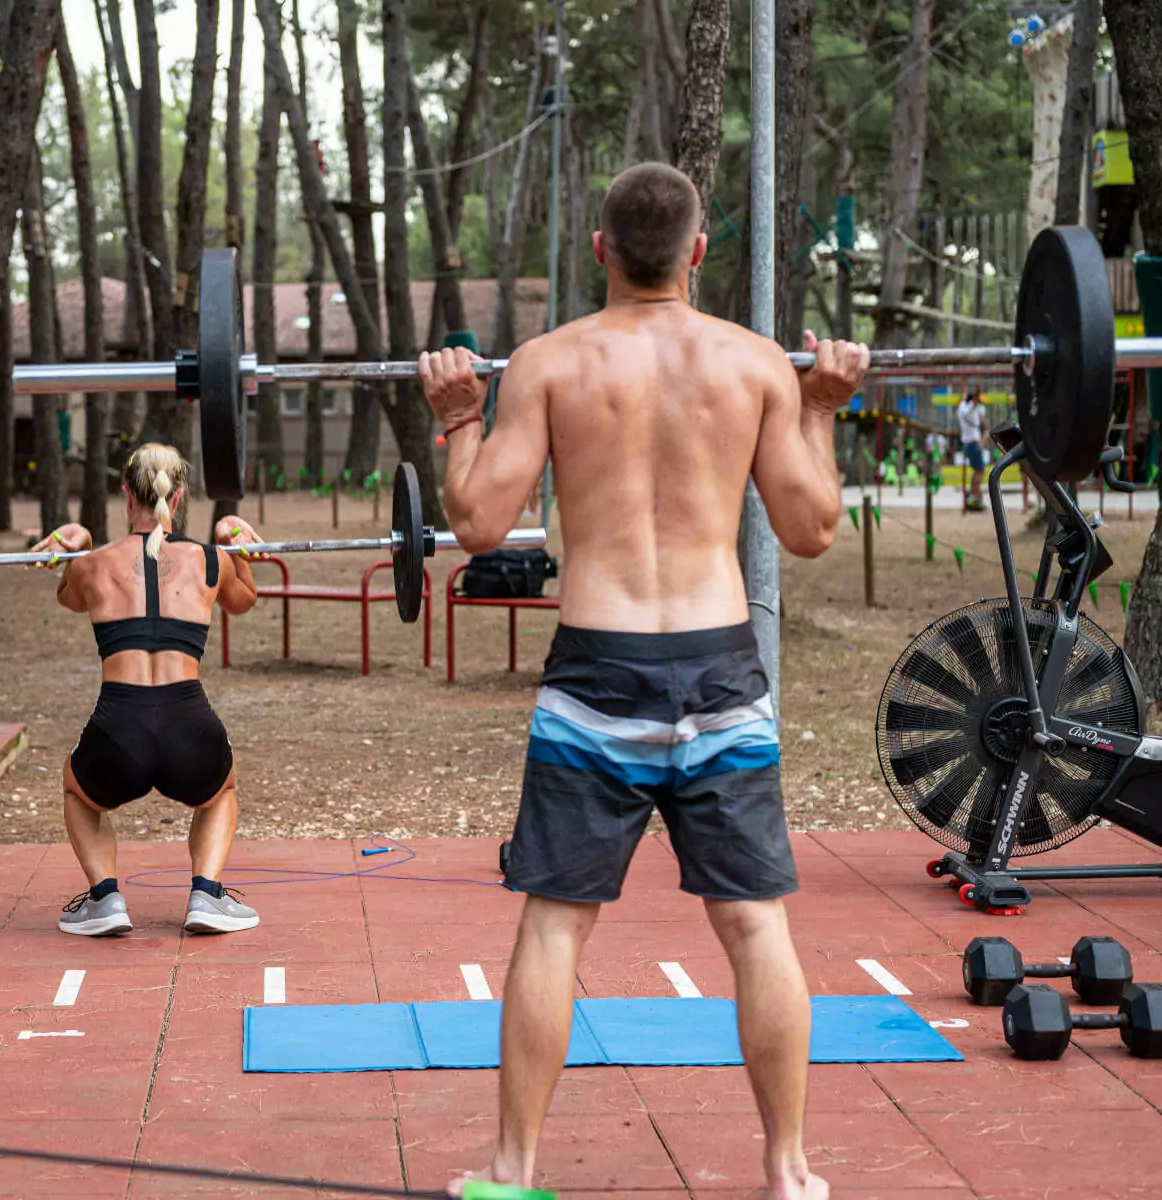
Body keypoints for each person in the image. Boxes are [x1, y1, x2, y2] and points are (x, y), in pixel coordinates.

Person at [417, 162, 869, 1200]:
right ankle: (791, 1174)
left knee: (553, 924)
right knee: (755, 924)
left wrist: (455, 416)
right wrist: (823, 409)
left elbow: (479, 527)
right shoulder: (756, 365)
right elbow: (810, 532)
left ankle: (512, 1170)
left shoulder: (547, 362)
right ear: (699, 254)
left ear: (600, 251)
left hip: (599, 672)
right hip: (720, 669)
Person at [32, 443, 263, 937]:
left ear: (125, 494)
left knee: (77, 789)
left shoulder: (93, 564)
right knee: (221, 789)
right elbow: (245, 601)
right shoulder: (209, 561)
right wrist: (232, 541)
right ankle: (207, 894)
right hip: (190, 728)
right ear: (178, 497)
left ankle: (104, 899)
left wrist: (79, 545)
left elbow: (69, 597)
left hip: (118, 731)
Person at [956, 390, 988, 510]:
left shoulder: (961, 409)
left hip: (969, 442)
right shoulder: (967, 409)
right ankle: (975, 496)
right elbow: (972, 406)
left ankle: (974, 495)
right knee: (980, 470)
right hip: (972, 442)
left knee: (977, 471)